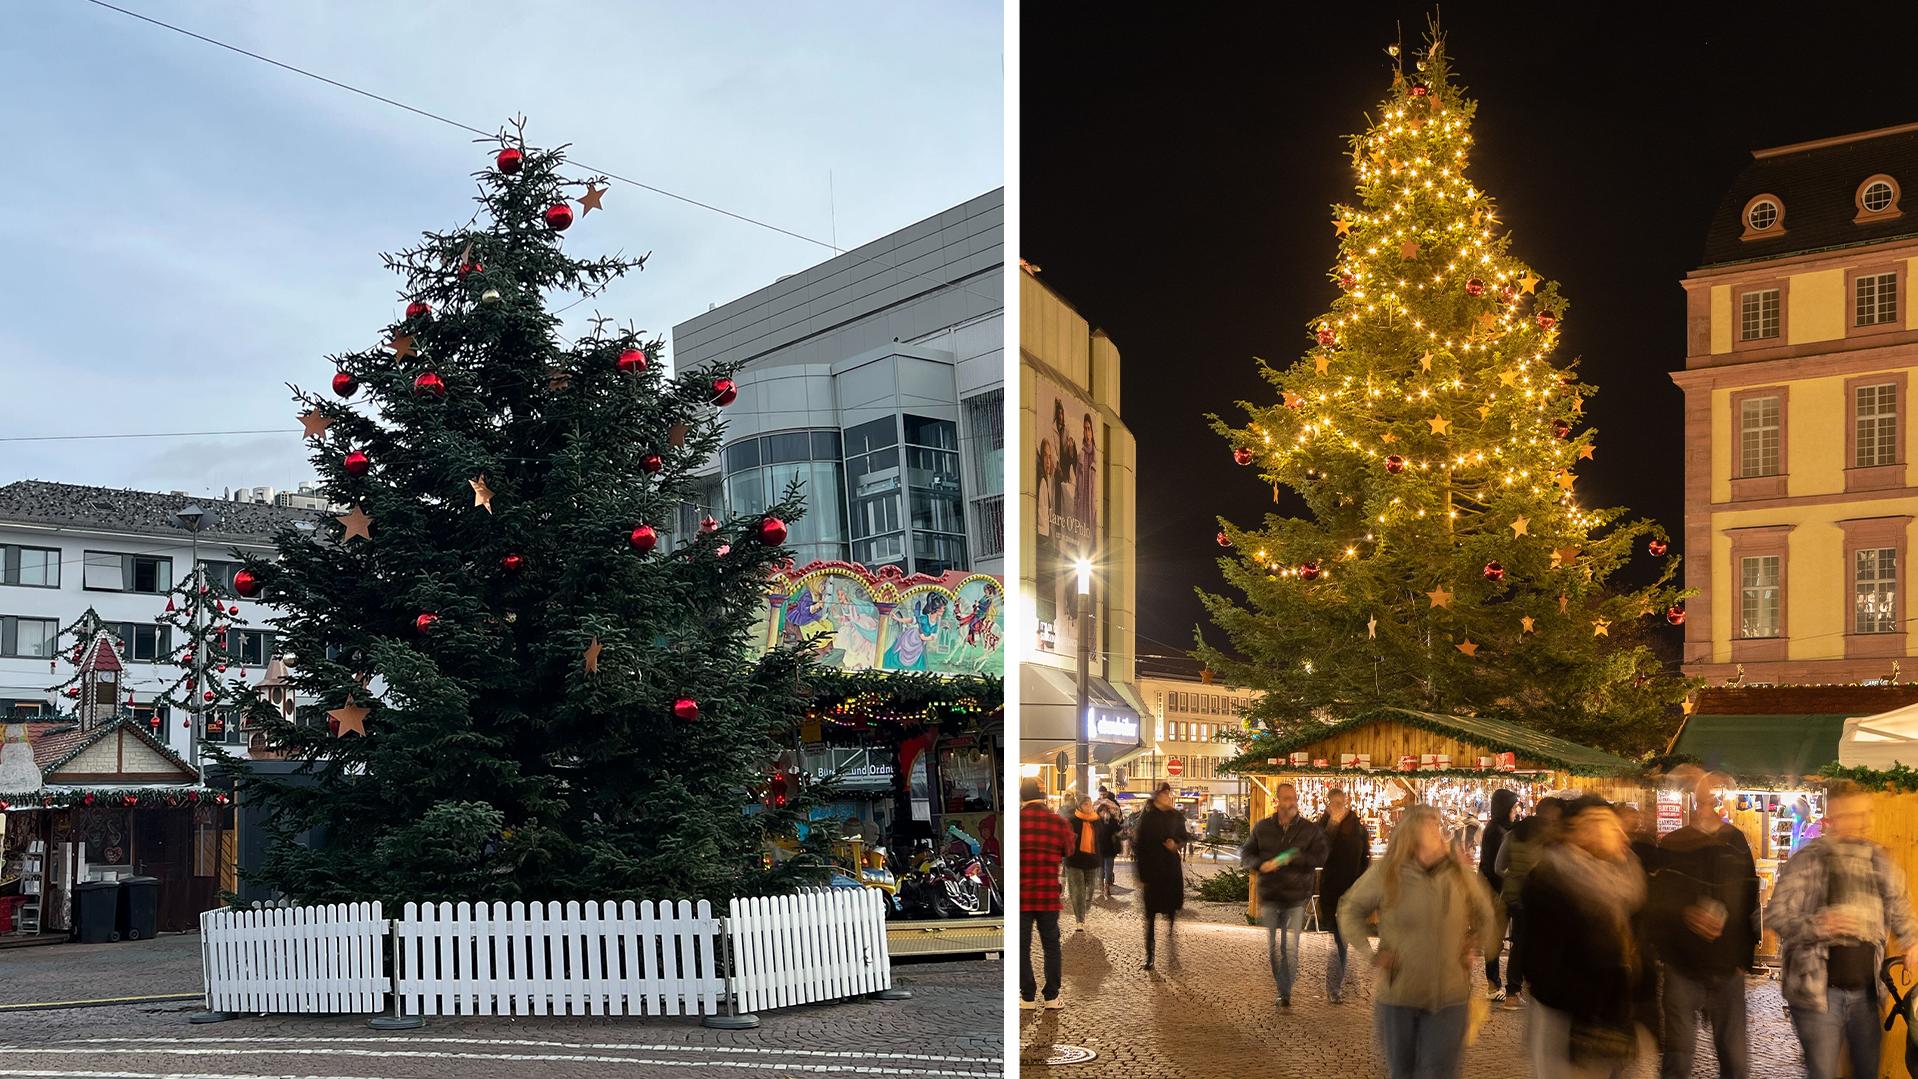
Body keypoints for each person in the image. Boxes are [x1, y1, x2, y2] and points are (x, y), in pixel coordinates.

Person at [1768, 779, 1918, 1079]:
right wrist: (1819, 925)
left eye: (1865, 815)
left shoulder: (1877, 859)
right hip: (1816, 994)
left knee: (1866, 1071)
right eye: (1853, 814)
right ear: (1833, 817)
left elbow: (1900, 907)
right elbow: (1777, 915)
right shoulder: (1807, 860)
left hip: (1866, 992)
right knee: (1822, 1072)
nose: (1862, 823)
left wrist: (1913, 941)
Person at [1338, 804, 1494, 1079]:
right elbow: (1350, 910)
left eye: (1438, 824)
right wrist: (1370, 952)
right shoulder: (1388, 872)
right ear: (1411, 832)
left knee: (1440, 1073)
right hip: (1400, 994)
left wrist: (1474, 942)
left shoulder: (1457, 873)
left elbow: (1486, 913)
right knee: (1402, 1072)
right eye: (1429, 824)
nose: (1438, 830)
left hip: (1450, 995)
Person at [1521, 796, 1646, 1079]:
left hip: (1616, 1019)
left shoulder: (1629, 879)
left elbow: (1639, 948)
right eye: (1608, 826)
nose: (1620, 834)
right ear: (1581, 830)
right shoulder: (1549, 879)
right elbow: (1540, 965)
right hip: (1567, 1026)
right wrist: (1586, 1008)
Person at [1654, 772, 1757, 1079]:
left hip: (1727, 967)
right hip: (1682, 966)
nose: (1705, 808)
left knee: (1735, 1060)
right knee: (1679, 1058)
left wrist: (1743, 959)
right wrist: (1686, 914)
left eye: (1712, 800)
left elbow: (1749, 898)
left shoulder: (1736, 842)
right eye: (1700, 801)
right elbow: (1658, 900)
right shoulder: (1674, 843)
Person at [1239, 781, 1329, 1006]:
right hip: (1270, 894)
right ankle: (1281, 985)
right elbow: (1247, 854)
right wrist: (1261, 864)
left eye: (1293, 798)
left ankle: (1284, 992)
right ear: (1277, 801)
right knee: (1272, 948)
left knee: (1290, 948)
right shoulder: (1262, 827)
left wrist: (1295, 858)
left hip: (1296, 896)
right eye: (1286, 798)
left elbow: (1320, 856)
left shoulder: (1309, 829)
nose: (1290, 803)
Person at [1495, 796, 1563, 1011]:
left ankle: (1513, 993)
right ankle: (1541, 988)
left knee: (1519, 944)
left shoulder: (1515, 832)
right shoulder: (1552, 836)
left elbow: (1498, 867)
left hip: (1515, 896)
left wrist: (1514, 876)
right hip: (1543, 896)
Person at [1019, 779, 1072, 1010]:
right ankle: (1051, 996)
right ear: (1041, 797)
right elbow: (1069, 849)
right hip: (1047, 895)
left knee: (1021, 947)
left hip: (1020, 895)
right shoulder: (1056, 822)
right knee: (1051, 945)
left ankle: (1027, 996)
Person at [1317, 787, 1372, 1003]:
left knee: (1344, 939)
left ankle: (1341, 984)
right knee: (1340, 939)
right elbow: (1320, 853)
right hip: (1332, 890)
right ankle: (1335, 987)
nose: (1339, 807)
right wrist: (1332, 825)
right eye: (1335, 803)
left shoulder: (1357, 826)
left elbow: (1364, 855)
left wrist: (1362, 880)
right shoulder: (1323, 826)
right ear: (1329, 804)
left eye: (1342, 802)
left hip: (1353, 890)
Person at [1134, 783, 1189, 971]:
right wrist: (1141, 875)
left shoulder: (1175, 816)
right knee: (1150, 916)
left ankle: (1172, 949)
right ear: (1157, 797)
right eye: (1164, 795)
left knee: (1171, 913)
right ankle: (1150, 955)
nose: (1167, 798)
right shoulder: (1147, 818)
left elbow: (1185, 836)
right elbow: (1138, 846)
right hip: (1152, 871)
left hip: (1171, 871)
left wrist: (1177, 844)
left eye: (1168, 794)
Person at [1479, 789, 1518, 1005]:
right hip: (1495, 892)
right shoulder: (1497, 831)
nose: (1515, 812)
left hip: (1496, 891)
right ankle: (1493, 985)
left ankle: (1494, 983)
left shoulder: (1499, 828)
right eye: (1513, 808)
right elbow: (1496, 868)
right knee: (1494, 939)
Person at [1062, 793, 1103, 931]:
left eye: (1090, 804)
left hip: (1092, 860)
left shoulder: (1097, 820)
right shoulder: (1072, 820)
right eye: (1086, 804)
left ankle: (1084, 908)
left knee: (1090, 889)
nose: (1089, 807)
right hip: (1074, 860)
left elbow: (1101, 839)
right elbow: (1065, 839)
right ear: (1079, 806)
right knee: (1077, 890)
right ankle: (1079, 919)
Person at [1096, 799, 1124, 899]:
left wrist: (1114, 821)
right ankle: (1101, 885)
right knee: (1101, 870)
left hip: (1110, 849)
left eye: (1105, 811)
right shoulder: (1095, 821)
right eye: (1102, 811)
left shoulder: (1112, 821)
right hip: (1099, 849)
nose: (1104, 813)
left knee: (1109, 869)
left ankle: (1107, 886)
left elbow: (1118, 831)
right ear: (1099, 812)